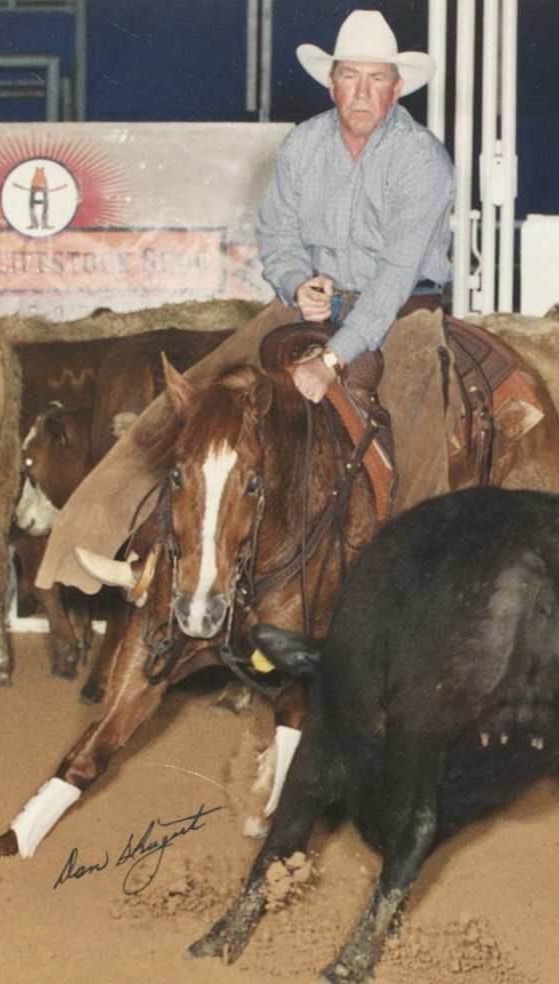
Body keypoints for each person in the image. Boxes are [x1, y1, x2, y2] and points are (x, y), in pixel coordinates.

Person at [36, 9, 455, 594]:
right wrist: (294, 282)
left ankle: (417, 585)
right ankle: (128, 549)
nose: (361, 93)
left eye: (376, 79)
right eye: (349, 77)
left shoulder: (421, 160)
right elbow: (278, 236)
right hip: (313, 305)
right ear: (331, 81)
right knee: (189, 401)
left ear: (397, 86)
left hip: (403, 310)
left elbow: (394, 277)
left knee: (420, 428)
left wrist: (333, 360)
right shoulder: (304, 145)